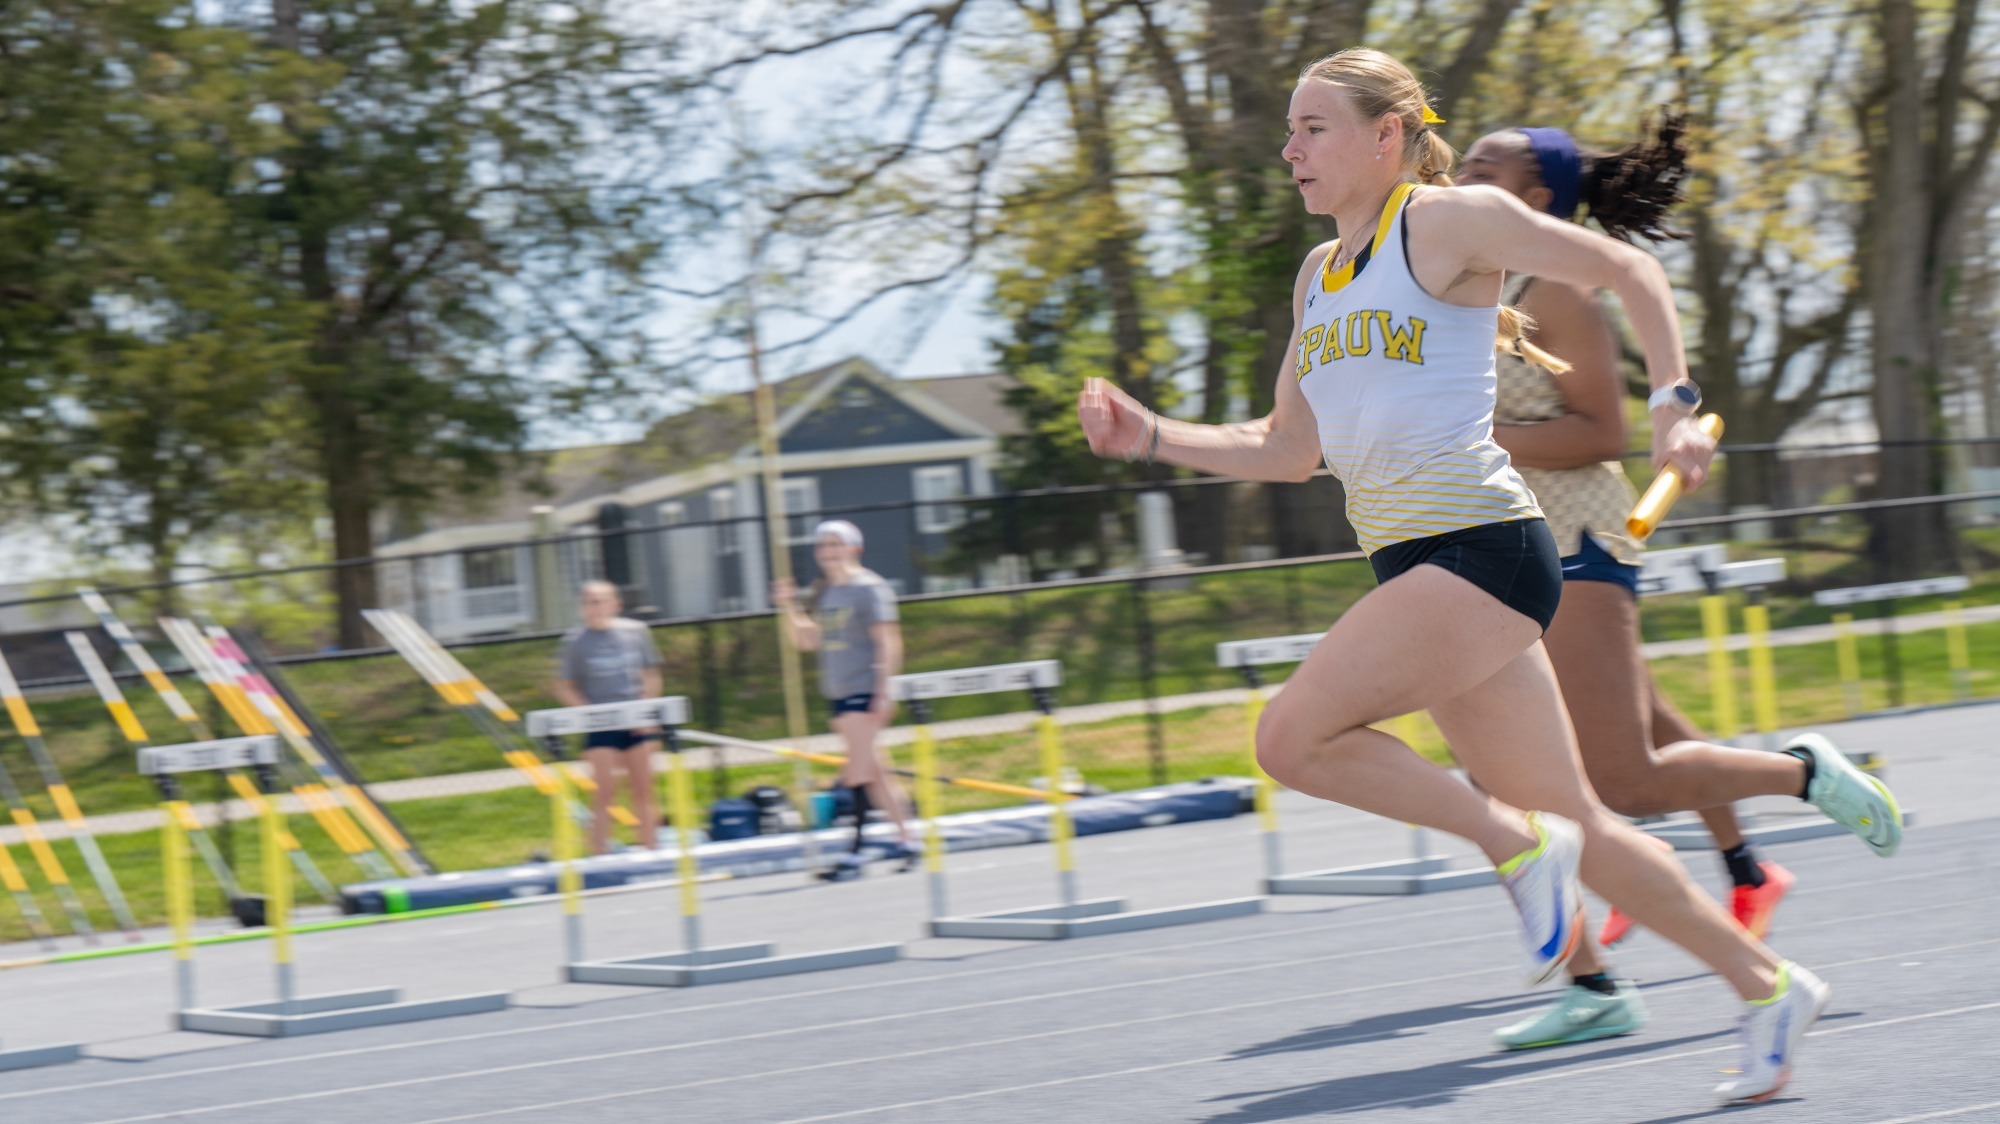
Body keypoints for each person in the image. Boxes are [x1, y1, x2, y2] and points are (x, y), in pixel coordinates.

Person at [1077, 47, 1868, 1103]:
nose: (1289, 148)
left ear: (1384, 136)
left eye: (1314, 126)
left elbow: (1625, 269)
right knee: (1584, 827)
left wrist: (1673, 401)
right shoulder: (1320, 277)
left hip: (1482, 549)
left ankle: (1504, 842)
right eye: (1289, 129)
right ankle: (1766, 986)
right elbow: (1284, 448)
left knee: (1289, 737)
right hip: (1423, 566)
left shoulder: (1439, 223)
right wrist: (1151, 435)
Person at [1452, 117, 1904, 1050]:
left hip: (1577, 538)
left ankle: (1803, 772)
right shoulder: (1467, 290)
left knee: (1622, 778)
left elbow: (1598, 434)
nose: (1461, 178)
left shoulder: (1562, 292)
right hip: (1494, 551)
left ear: (1535, 200)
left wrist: (1476, 438)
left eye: (1484, 169)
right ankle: (1593, 984)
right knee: (1493, 777)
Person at [774, 519, 916, 877]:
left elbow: (888, 640)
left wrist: (885, 689)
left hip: (863, 689)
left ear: (853, 548)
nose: (828, 552)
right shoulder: (827, 592)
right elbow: (808, 641)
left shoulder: (868, 588)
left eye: (836, 544)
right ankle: (909, 840)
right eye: (823, 545)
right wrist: (789, 607)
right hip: (839, 692)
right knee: (877, 774)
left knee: (856, 771)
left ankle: (855, 851)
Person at [552, 581, 663, 855]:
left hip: (636, 720)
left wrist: (644, 711)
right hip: (602, 724)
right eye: (590, 602)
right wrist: (589, 712)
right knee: (604, 791)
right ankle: (599, 857)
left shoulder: (636, 632)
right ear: (582, 607)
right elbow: (563, 686)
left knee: (644, 789)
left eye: (601, 601)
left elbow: (651, 674)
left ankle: (651, 849)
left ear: (615, 604)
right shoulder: (575, 642)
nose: (596, 607)